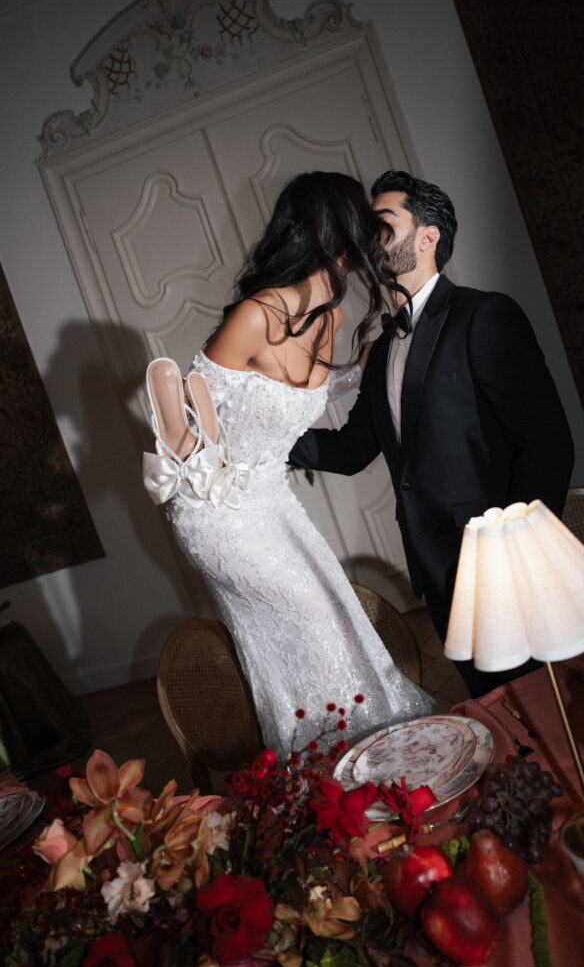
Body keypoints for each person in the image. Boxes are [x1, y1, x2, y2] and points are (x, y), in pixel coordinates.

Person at [143, 171, 437, 759]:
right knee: (316, 619)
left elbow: (305, 394)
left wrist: (364, 366)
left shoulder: (329, 314)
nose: (374, 238)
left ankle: (369, 759)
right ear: (336, 233)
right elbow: (199, 418)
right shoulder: (253, 317)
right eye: (364, 224)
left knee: (340, 618)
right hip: (218, 513)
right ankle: (337, 760)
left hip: (274, 502)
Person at [289, 170, 575, 697]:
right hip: (436, 575)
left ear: (428, 237)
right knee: (493, 710)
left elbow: (546, 443)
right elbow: (352, 450)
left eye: (383, 222)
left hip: (502, 568)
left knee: (542, 707)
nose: (368, 236)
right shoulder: (381, 350)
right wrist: (263, 438)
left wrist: (517, 554)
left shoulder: (484, 315)